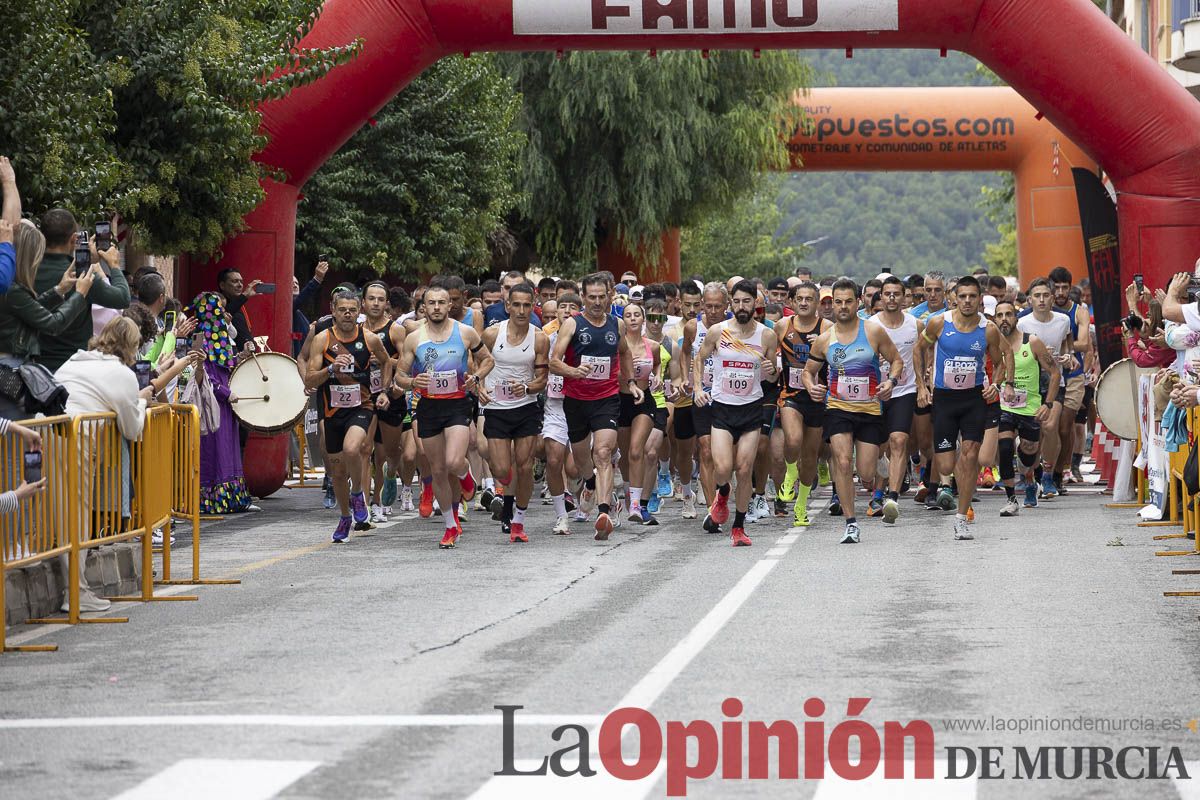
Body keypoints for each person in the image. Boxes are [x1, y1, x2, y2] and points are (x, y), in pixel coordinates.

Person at [54, 316, 154, 612]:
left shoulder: (76, 360)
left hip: (44, 432)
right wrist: (143, 402)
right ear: (131, 346)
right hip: (77, 438)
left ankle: (73, 589)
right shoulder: (122, 374)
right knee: (75, 514)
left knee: (52, 511)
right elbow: (133, 428)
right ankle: (75, 591)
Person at [394, 285, 494, 549]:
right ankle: (450, 526)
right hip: (429, 407)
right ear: (423, 307)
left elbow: (487, 360)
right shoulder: (414, 338)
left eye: (442, 302)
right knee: (437, 470)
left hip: (458, 405)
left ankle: (466, 476)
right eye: (431, 303)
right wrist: (414, 381)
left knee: (452, 462)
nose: (437, 307)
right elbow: (399, 377)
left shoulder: (465, 332)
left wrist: (476, 377)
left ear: (450, 305)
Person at [803, 280, 903, 544]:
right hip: (837, 408)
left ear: (858, 302)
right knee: (843, 462)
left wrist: (890, 382)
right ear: (832, 303)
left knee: (866, 474)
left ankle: (881, 461)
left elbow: (896, 360)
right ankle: (851, 523)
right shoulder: (824, 340)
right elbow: (807, 372)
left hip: (869, 410)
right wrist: (811, 387)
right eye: (838, 301)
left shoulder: (873, 332)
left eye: (848, 301)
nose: (843, 306)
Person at [914, 276, 1014, 541]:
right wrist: (922, 386)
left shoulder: (988, 329)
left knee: (970, 454)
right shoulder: (939, 323)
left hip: (973, 399)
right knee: (946, 465)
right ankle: (963, 478)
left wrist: (996, 383)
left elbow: (1001, 360)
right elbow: (918, 348)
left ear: (979, 299)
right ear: (954, 298)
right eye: (963, 296)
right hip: (945, 399)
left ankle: (961, 518)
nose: (968, 301)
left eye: (973, 296)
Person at [550, 273, 639, 540]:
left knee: (603, 452)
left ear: (610, 296)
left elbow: (624, 352)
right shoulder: (572, 325)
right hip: (576, 400)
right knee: (580, 461)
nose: (598, 302)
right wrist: (574, 371)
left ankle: (603, 511)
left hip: (606, 399)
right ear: (583, 298)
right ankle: (589, 483)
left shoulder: (617, 324)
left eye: (602, 297)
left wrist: (631, 382)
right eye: (592, 297)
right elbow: (554, 362)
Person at [693, 280, 780, 547]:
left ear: (756, 303)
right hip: (722, 408)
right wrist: (697, 388)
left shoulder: (766, 335)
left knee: (744, 469)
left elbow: (774, 376)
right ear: (731, 303)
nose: (742, 307)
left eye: (747, 301)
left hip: (751, 409)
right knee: (722, 467)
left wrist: (771, 370)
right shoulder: (718, 332)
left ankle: (739, 527)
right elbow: (699, 359)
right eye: (737, 301)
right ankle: (722, 493)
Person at [304, 289, 395, 543]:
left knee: (352, 449)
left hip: (362, 406)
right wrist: (331, 367)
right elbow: (309, 378)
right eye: (342, 309)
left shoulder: (369, 339)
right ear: (333, 310)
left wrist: (384, 390)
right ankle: (345, 517)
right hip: (332, 410)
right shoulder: (322, 339)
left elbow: (387, 362)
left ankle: (358, 494)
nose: (347, 314)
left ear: (359, 312)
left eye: (352, 310)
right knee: (337, 471)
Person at [0, 222, 96, 418]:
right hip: (11, 367)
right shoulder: (13, 290)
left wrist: (59, 290)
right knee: (17, 440)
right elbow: (53, 324)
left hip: (12, 366)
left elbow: (31, 310)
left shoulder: (11, 289)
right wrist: (79, 295)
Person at [481, 284, 548, 543]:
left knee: (525, 466)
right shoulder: (490, 334)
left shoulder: (539, 337)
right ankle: (506, 496)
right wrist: (480, 387)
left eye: (526, 305)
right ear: (507, 306)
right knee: (500, 468)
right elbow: (477, 364)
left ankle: (518, 520)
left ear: (533, 306)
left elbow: (542, 379)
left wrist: (528, 387)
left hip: (526, 408)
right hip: (496, 408)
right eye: (516, 305)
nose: (521, 310)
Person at [32, 209, 130, 372]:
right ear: (73, 239)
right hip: (72, 368)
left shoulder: (26, 270)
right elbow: (122, 298)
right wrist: (114, 265)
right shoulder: (79, 274)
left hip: (34, 368)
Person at [187, 292, 256, 515]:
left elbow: (224, 364)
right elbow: (205, 375)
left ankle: (230, 499)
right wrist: (226, 393)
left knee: (226, 449)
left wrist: (242, 356)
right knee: (214, 450)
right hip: (212, 404)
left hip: (224, 404)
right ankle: (213, 500)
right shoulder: (202, 340)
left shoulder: (218, 337)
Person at [994, 300, 1060, 514]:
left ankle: (1030, 477)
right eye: (999, 315)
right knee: (1004, 448)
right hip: (1004, 407)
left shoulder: (1032, 342)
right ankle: (1011, 499)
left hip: (1029, 408)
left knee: (1028, 452)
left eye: (1008, 315)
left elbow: (1055, 373)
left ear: (1016, 318)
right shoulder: (992, 344)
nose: (1004, 319)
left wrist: (1048, 404)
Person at [777, 281, 831, 528]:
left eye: (809, 299)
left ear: (818, 303)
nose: (804, 303)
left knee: (810, 457)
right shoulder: (782, 326)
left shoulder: (828, 328)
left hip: (818, 398)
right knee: (793, 440)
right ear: (792, 302)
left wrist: (822, 343)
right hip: (791, 394)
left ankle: (801, 504)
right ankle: (790, 472)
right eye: (800, 298)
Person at [868, 275, 921, 524]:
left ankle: (892, 498)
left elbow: (924, 352)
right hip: (873, 393)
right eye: (887, 294)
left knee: (899, 441)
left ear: (903, 297)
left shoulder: (915, 324)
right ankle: (878, 483)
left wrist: (924, 382)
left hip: (904, 390)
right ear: (880, 297)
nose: (891, 298)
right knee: (877, 451)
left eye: (896, 294)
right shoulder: (869, 324)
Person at [680, 283, 732, 525]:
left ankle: (727, 494)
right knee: (705, 450)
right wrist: (685, 377)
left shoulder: (734, 328)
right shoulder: (693, 326)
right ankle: (714, 509)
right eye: (708, 306)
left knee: (729, 455)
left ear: (726, 306)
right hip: (702, 396)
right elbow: (685, 352)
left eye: (717, 306)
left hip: (729, 398)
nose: (712, 311)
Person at [1017, 278, 1073, 499]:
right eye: (1037, 296)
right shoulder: (1022, 324)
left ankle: (1048, 475)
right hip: (1029, 384)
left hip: (1054, 381)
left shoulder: (1063, 320)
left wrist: (1069, 357)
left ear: (1052, 298)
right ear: (1030, 299)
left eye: (1045, 295)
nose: (1041, 300)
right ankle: (1031, 473)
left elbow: (1067, 345)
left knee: (1050, 426)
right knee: (1032, 433)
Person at [363, 281, 407, 523]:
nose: (376, 303)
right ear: (364, 302)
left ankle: (391, 475)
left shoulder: (395, 330)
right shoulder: (355, 329)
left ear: (386, 303)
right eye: (371, 298)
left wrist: (384, 359)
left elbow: (406, 361)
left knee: (388, 452)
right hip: (364, 394)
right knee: (366, 451)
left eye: (380, 299)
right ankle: (373, 502)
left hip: (391, 394)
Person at [616, 301, 660, 525]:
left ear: (643, 319)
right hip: (620, 401)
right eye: (628, 315)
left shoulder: (651, 346)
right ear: (623, 320)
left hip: (644, 401)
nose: (633, 318)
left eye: (637, 315)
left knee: (636, 451)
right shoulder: (616, 345)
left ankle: (636, 505)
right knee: (625, 455)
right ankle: (628, 490)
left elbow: (658, 364)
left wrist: (659, 376)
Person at [542, 294, 581, 536]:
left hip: (582, 406)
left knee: (575, 468)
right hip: (555, 407)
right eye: (562, 307)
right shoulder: (545, 339)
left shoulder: (587, 338)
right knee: (554, 460)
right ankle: (561, 516)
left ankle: (585, 490)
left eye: (572, 307)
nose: (567, 311)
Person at [217, 268, 263, 351]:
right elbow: (224, 314)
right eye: (234, 281)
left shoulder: (239, 303)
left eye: (241, 281)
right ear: (222, 285)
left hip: (248, 355)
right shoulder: (217, 303)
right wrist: (244, 296)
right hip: (233, 358)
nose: (240, 285)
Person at [292, 259, 328, 357]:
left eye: (296, 283)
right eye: (291, 283)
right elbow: (302, 297)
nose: (295, 285)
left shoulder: (298, 312)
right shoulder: (288, 309)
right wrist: (317, 279)